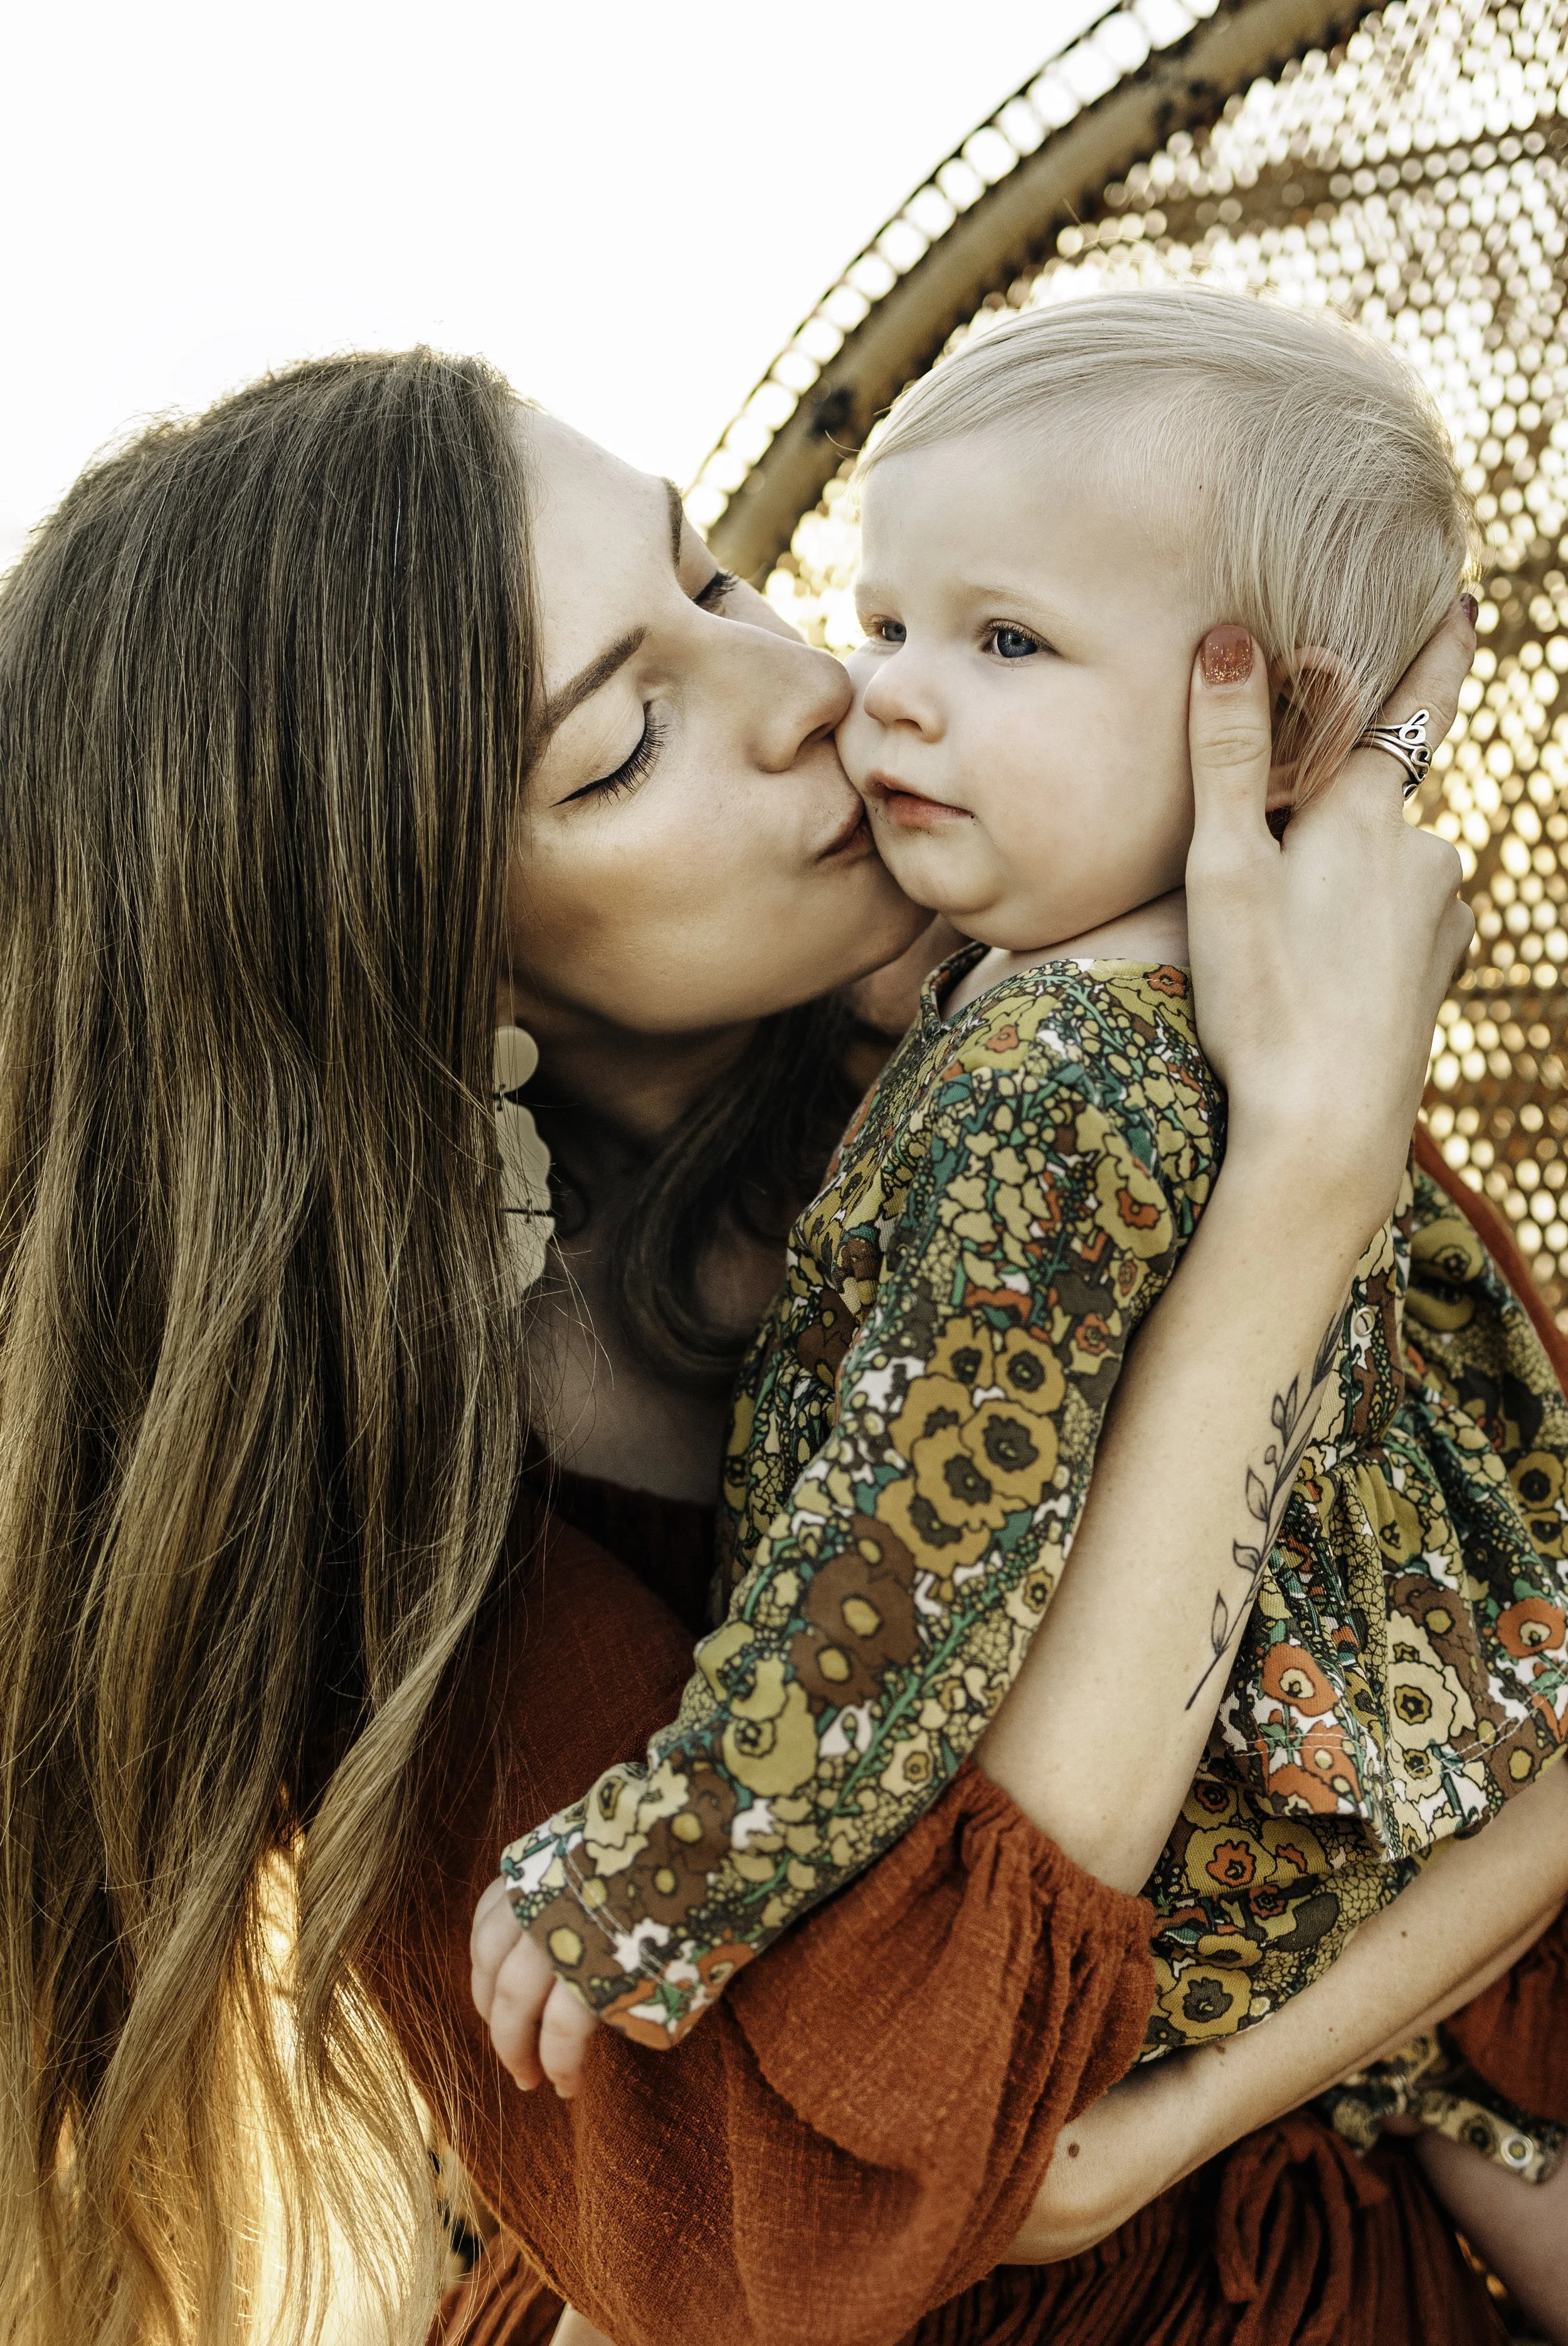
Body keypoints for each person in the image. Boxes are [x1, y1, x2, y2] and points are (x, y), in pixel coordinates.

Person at [0, 346, 1552, 2346]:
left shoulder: (1113, 1011)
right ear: (411, 978)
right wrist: (1291, 1214)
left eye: (715, 582)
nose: (814, 691)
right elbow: (804, 2237)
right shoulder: (410, 1523)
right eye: (621, 747)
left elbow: (1525, 1683)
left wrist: (1166, 2121)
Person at [477, 294, 1568, 2264]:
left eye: (1000, 643)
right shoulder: (1146, 1018)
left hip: (1315, 1939)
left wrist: (661, 1862)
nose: (850, 694)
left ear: (1270, 725)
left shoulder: (1059, 1081)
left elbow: (912, 1554)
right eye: (884, 617)